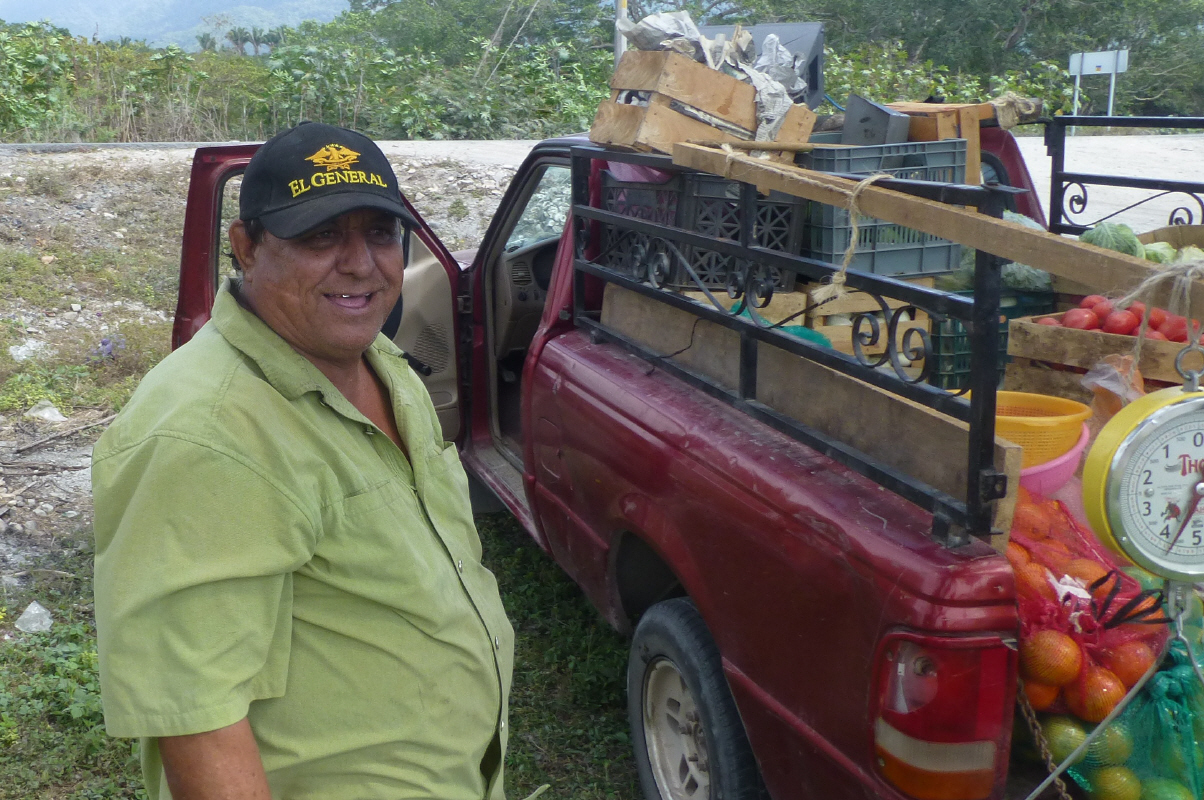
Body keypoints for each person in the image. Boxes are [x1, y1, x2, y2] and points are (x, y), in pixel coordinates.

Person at [92, 121, 515, 800]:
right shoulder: (205, 436)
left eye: (380, 232)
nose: (360, 263)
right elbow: (198, 722)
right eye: (320, 236)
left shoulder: (380, 361)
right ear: (246, 248)